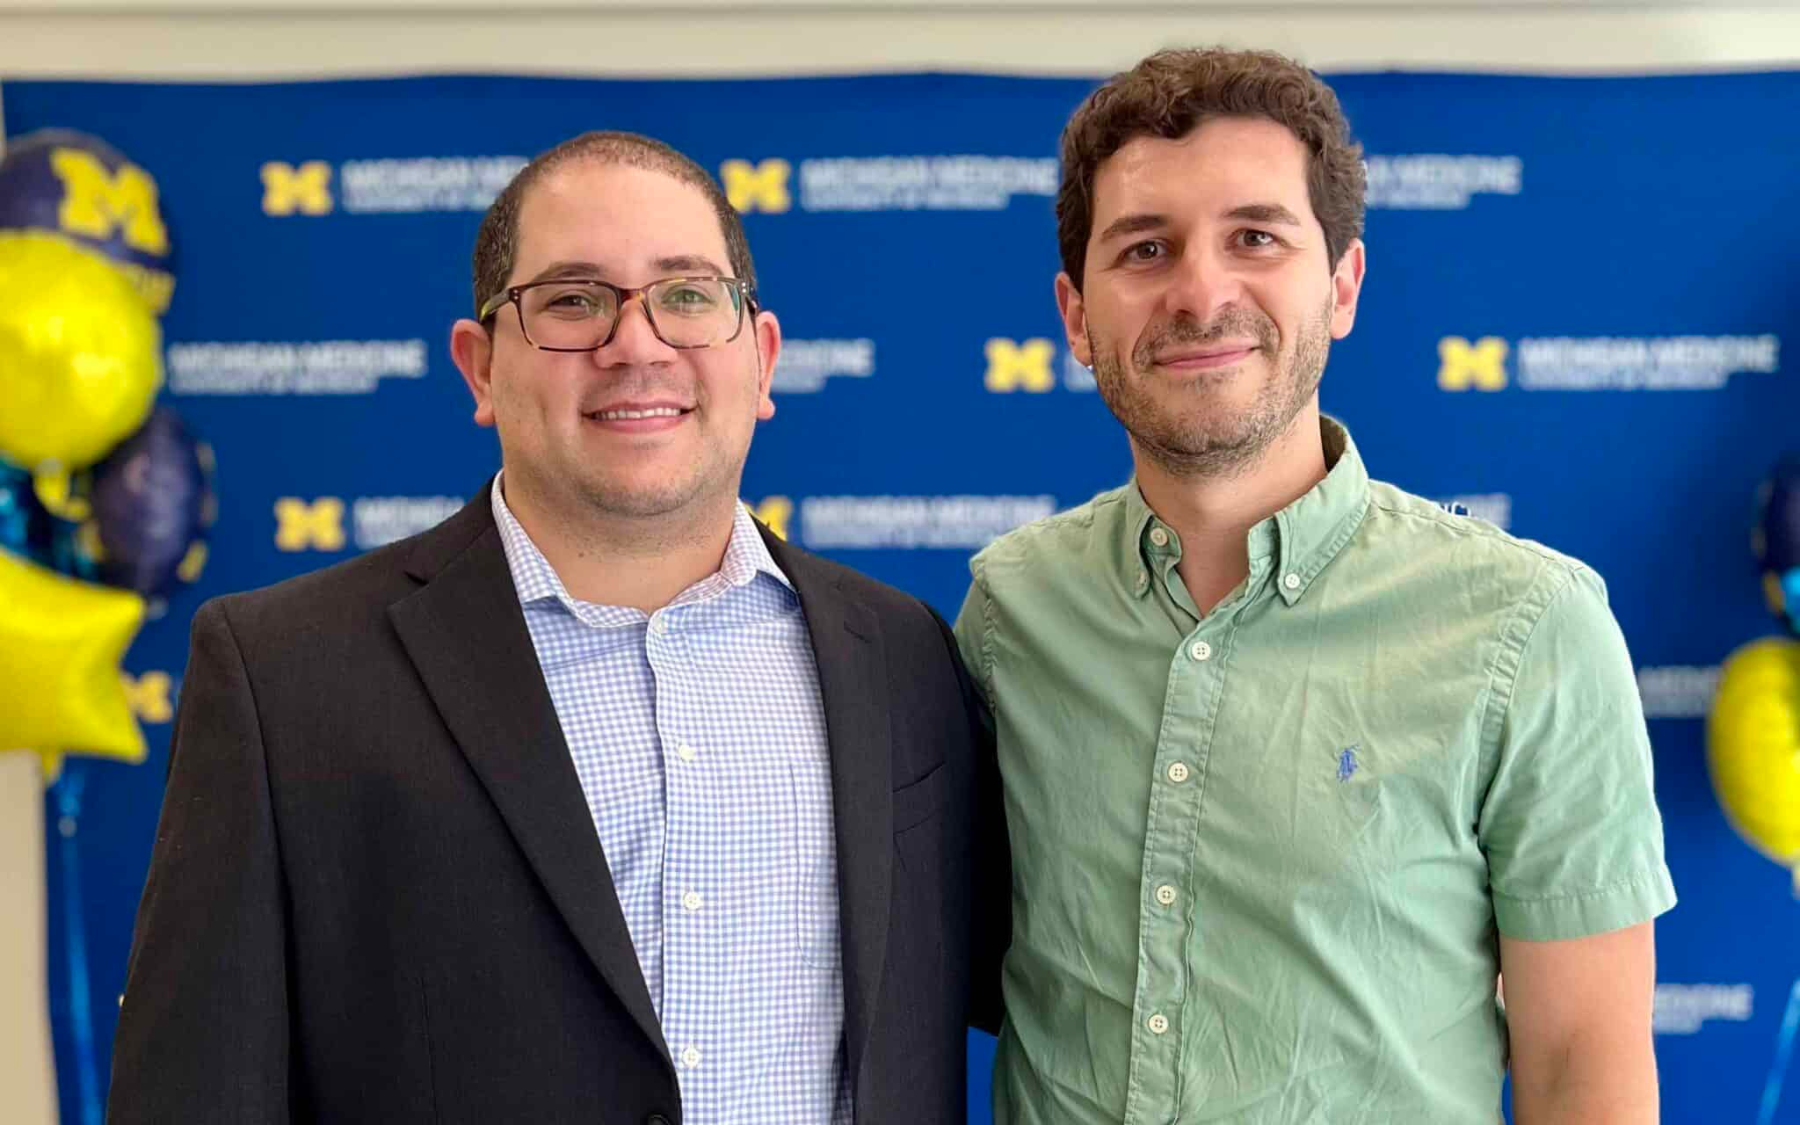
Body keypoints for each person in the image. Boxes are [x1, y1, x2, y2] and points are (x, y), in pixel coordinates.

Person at [110, 130, 1005, 1125]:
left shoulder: (903, 654)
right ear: (480, 368)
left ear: (760, 359)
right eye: (573, 300)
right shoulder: (282, 675)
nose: (636, 343)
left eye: (687, 294)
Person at [955, 48, 1674, 1124]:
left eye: (1256, 237)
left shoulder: (1533, 629)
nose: (1200, 291)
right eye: (1145, 249)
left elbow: (1583, 1065)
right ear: (1074, 315)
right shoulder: (1010, 611)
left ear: (1340, 286)